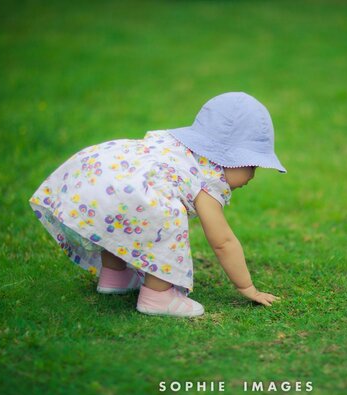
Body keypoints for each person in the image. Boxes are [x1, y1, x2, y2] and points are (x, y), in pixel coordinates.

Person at [29, 92, 286, 317]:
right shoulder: (208, 180)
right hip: (135, 191)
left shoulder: (179, 148)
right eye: (252, 165)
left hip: (107, 172)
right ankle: (158, 296)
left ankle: (114, 275)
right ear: (228, 158)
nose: (252, 175)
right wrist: (247, 287)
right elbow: (223, 242)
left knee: (126, 213)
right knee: (164, 218)